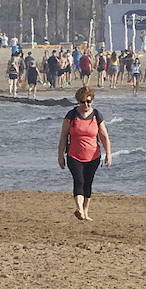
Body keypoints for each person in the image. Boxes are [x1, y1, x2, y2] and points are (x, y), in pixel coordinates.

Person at [58, 86, 111, 221]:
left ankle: (85, 211)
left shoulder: (97, 115)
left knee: (88, 183)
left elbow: (104, 136)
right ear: (78, 102)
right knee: (79, 180)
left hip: (93, 156)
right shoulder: (71, 115)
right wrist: (60, 156)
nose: (86, 104)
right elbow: (64, 136)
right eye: (83, 102)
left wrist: (108, 154)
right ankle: (79, 209)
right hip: (74, 155)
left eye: (89, 101)